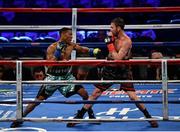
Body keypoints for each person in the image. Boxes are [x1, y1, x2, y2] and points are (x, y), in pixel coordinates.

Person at [67, 17, 158, 127]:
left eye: (112, 27)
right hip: (110, 69)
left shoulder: (126, 41)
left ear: (118, 28)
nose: (110, 29)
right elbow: (111, 57)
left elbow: (118, 58)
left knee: (133, 96)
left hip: (123, 70)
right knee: (96, 93)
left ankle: (149, 117)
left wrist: (110, 45)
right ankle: (79, 117)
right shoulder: (112, 37)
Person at [10, 27, 101, 128]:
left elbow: (82, 49)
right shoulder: (52, 47)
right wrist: (57, 53)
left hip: (66, 77)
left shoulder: (71, 45)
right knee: (37, 100)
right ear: (62, 34)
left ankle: (90, 115)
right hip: (53, 77)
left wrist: (93, 51)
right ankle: (21, 117)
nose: (71, 37)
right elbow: (49, 65)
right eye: (69, 34)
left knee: (84, 94)